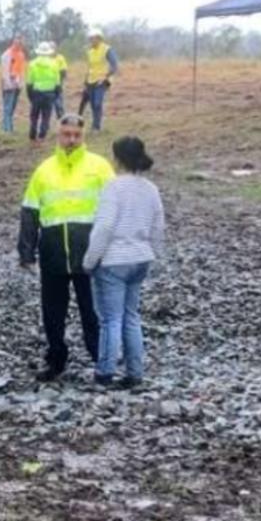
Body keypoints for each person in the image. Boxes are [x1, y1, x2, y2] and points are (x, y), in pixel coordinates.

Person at [17, 114, 114, 382]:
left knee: (93, 312)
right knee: (52, 314)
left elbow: (115, 208)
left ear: (83, 136)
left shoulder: (100, 167)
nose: (71, 139)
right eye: (66, 134)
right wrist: (26, 252)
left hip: (91, 255)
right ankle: (56, 361)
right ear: (58, 135)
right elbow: (30, 212)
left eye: (76, 135)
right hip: (53, 255)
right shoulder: (44, 170)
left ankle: (101, 362)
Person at [83, 137, 164, 389]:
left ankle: (105, 371)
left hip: (114, 261)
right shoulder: (151, 188)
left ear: (117, 159)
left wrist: (89, 260)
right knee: (131, 316)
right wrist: (154, 253)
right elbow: (158, 226)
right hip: (141, 257)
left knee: (110, 319)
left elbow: (104, 228)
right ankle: (135, 372)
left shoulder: (113, 188)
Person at [80, 28, 119, 132]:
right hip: (91, 80)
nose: (91, 41)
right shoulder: (90, 52)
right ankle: (95, 125)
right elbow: (90, 67)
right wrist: (85, 81)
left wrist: (106, 76)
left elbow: (114, 65)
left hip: (102, 81)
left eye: (93, 39)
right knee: (93, 104)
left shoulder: (107, 49)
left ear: (99, 39)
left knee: (98, 103)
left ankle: (97, 126)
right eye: (90, 39)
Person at [25, 41, 62, 144]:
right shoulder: (54, 64)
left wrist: (30, 96)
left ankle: (32, 136)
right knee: (46, 116)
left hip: (36, 93)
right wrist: (56, 95)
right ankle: (42, 137)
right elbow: (57, 82)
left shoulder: (32, 64)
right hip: (49, 93)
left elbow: (29, 82)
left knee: (34, 116)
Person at [0, 36, 27, 134]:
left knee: (13, 107)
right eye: (18, 43)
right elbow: (5, 71)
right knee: (7, 107)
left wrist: (21, 83)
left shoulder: (21, 55)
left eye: (21, 44)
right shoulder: (6, 55)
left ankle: (10, 127)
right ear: (14, 43)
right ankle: (6, 129)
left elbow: (21, 70)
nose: (20, 45)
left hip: (17, 84)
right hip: (9, 84)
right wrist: (8, 83)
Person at [50, 44, 69, 118]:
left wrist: (61, 81)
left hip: (58, 81)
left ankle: (61, 114)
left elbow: (64, 70)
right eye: (51, 48)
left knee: (58, 99)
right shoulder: (47, 59)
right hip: (49, 82)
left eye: (53, 48)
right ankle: (57, 114)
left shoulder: (60, 57)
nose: (52, 50)